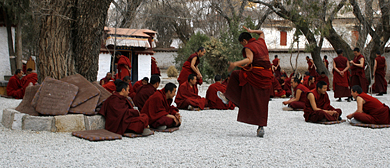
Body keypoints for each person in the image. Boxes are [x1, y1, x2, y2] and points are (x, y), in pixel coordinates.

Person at [217, 26, 273, 137]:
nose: (243, 46)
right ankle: (260, 128)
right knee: (261, 103)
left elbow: (249, 60)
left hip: (256, 75)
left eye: (242, 43)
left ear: (244, 41)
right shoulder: (261, 42)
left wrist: (235, 64)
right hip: (267, 77)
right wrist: (252, 31)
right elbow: (261, 32)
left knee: (235, 74)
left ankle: (229, 98)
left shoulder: (249, 47)